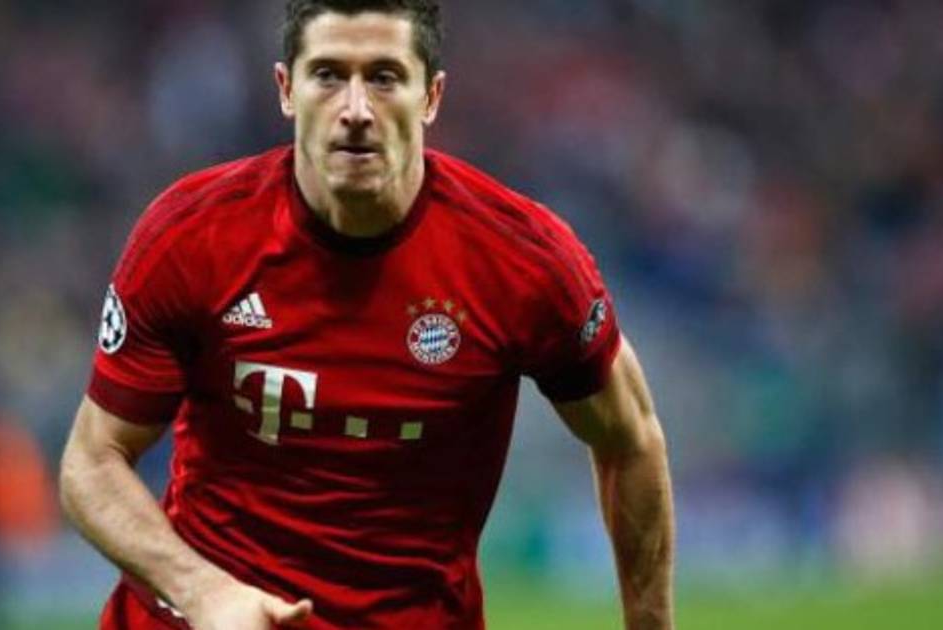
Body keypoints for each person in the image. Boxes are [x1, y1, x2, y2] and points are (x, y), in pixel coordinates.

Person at [59, 1, 675, 628]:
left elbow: (631, 439)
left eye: (384, 77)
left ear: (431, 97)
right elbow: (92, 461)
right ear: (286, 90)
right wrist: (202, 593)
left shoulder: (522, 261)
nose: (355, 109)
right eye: (328, 75)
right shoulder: (191, 239)